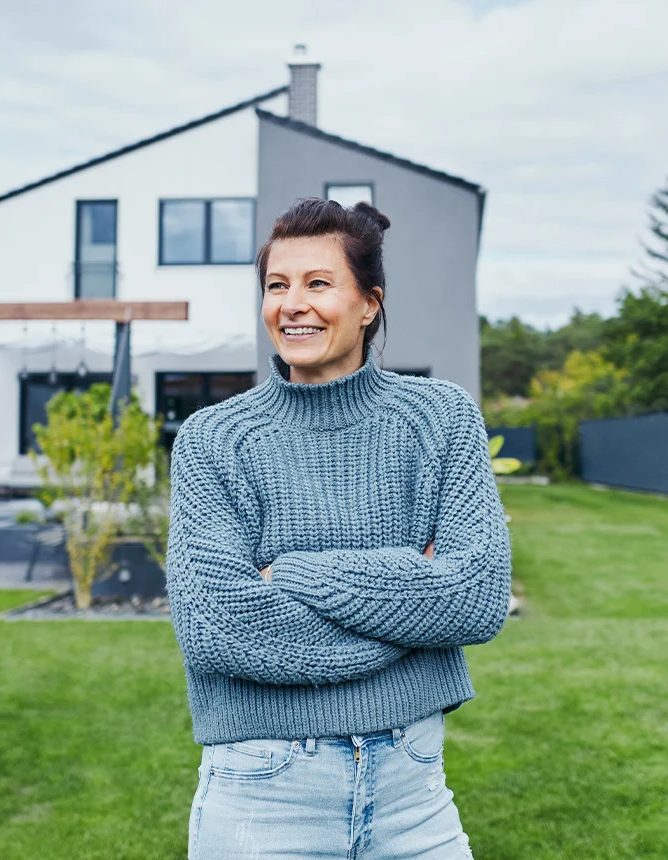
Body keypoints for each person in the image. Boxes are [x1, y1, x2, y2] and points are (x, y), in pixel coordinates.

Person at [165, 197, 512, 859]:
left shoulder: (439, 418)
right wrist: (410, 612)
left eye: (317, 283)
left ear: (369, 303)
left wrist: (293, 573)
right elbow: (219, 631)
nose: (291, 303)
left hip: (415, 794)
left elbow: (476, 597)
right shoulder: (215, 439)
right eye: (276, 285)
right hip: (263, 795)